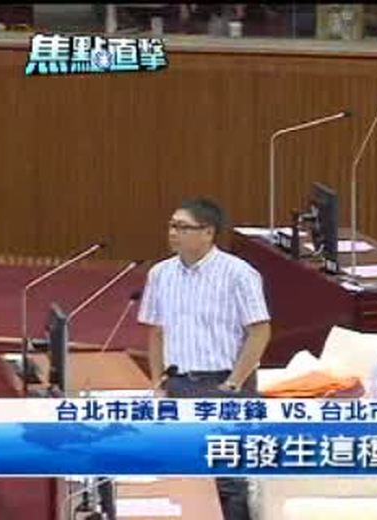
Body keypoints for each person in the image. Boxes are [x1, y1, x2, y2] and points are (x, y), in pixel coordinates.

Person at [138, 198, 271, 520]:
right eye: (172, 226)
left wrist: (233, 384)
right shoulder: (160, 274)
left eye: (183, 227)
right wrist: (158, 382)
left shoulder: (238, 274)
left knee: (227, 480)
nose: (173, 233)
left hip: (223, 384)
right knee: (183, 472)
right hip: (178, 384)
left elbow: (259, 332)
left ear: (208, 232)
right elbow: (156, 332)